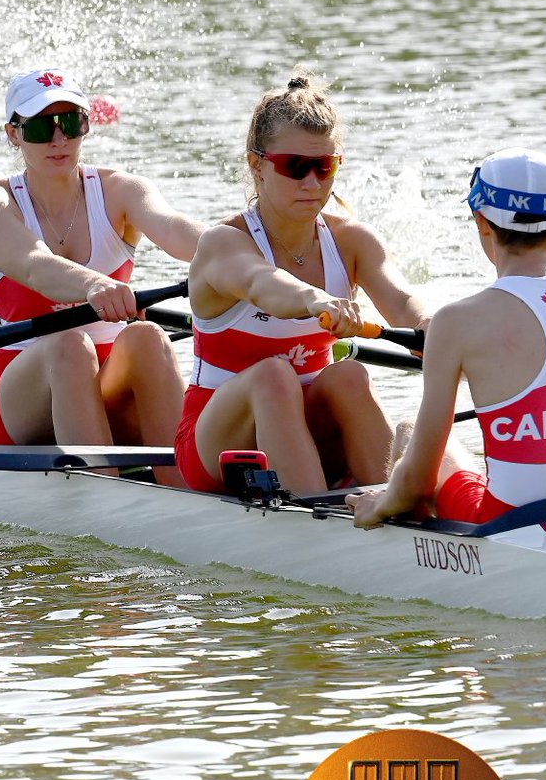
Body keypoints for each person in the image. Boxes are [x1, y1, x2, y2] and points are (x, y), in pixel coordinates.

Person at [175, 71, 428, 496]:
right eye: (295, 167)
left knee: (349, 375)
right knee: (273, 376)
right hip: (216, 445)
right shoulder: (223, 244)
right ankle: (314, 515)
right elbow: (262, 283)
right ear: (257, 165)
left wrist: (434, 328)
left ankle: (397, 509)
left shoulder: (353, 241)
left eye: (324, 167)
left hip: (308, 431)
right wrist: (316, 300)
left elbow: (403, 301)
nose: (313, 183)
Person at [0, 65, 204, 484]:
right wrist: (95, 283)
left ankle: (186, 487)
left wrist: (250, 256)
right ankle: (103, 492)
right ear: (13, 134)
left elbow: (179, 231)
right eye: (42, 127)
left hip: (109, 388)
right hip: (22, 399)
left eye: (71, 123)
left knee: (148, 336)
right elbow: (34, 264)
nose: (59, 139)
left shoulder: (121, 190)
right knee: (71, 345)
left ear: (87, 126)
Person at [348, 147, 546, 529]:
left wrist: (378, 506)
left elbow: (416, 483)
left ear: (482, 221)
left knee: (409, 433)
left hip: (511, 526)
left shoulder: (456, 322)